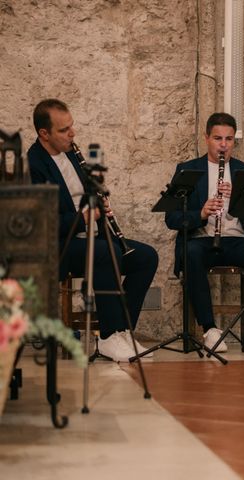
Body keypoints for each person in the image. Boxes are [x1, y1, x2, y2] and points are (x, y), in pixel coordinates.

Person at [28, 98, 159, 362]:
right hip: (59, 247)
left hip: (91, 239)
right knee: (102, 251)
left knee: (146, 257)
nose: (72, 133)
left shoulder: (71, 154)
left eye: (71, 126)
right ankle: (109, 336)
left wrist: (99, 205)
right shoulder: (33, 165)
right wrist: (85, 217)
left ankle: (122, 331)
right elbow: (45, 223)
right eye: (64, 130)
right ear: (44, 133)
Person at [165, 112, 244, 354]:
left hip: (236, 241)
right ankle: (210, 329)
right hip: (202, 240)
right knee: (191, 251)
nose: (223, 145)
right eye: (218, 138)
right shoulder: (187, 170)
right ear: (206, 138)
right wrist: (201, 214)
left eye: (229, 139)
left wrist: (240, 200)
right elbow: (171, 218)